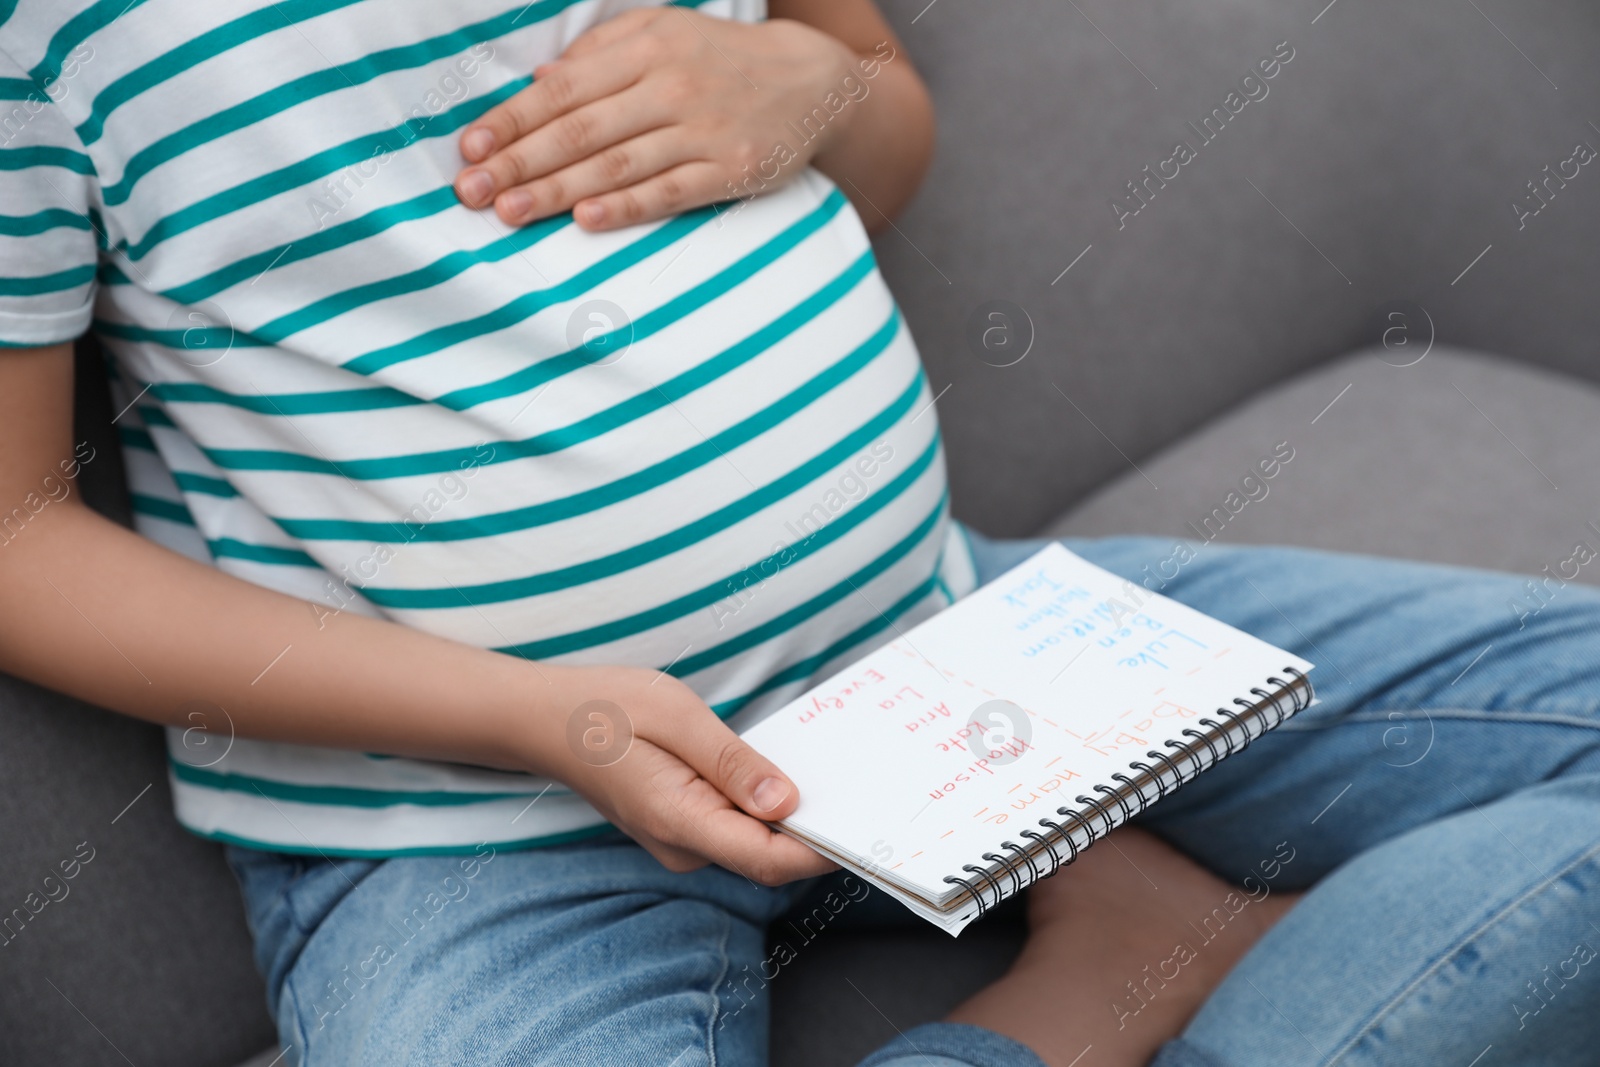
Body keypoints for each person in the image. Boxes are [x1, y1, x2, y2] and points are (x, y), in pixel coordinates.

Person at [1, 1, 1596, 1065]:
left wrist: (814, 84)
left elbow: (877, 105)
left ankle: (1167, 948)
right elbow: (18, 536)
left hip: (947, 640)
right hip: (474, 827)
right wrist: (536, 714)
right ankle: (1085, 1004)